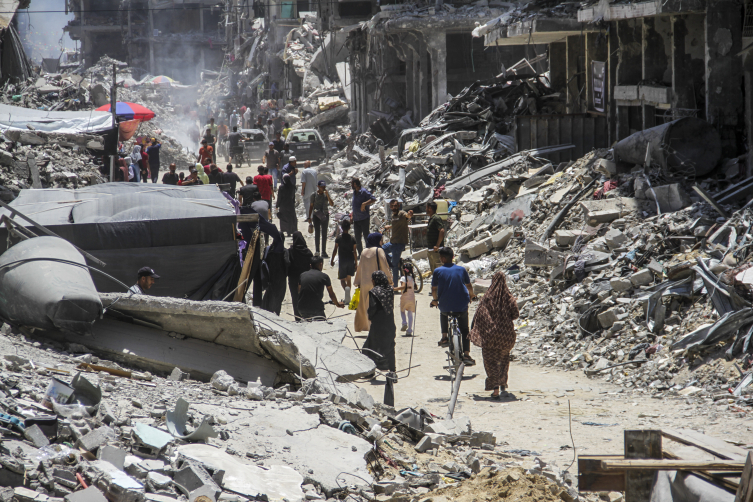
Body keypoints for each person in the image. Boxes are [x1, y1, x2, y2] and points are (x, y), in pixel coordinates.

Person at [469, 270, 519, 399]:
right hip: (505, 337)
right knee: (503, 360)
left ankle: (495, 388)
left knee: (490, 362)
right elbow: (515, 314)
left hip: (489, 337)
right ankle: (502, 383)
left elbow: (480, 315)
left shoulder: (487, 297)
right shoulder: (509, 298)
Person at [431, 247, 477, 366]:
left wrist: (435, 300)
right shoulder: (461, 270)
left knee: (443, 313)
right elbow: (469, 286)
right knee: (465, 329)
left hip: (445, 305)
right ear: (452, 257)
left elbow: (434, 289)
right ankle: (466, 355)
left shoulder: (437, 271)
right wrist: (471, 296)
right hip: (462, 304)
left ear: (442, 258)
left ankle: (444, 337)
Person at [352, 233, 392, 332]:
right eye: (381, 240)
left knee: (365, 306)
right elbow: (384, 265)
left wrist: (358, 281)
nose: (382, 242)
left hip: (365, 283)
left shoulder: (364, 251)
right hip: (377, 283)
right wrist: (390, 280)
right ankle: (374, 327)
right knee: (377, 305)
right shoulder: (379, 250)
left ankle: (366, 326)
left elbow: (360, 267)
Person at [361, 270, 397, 378]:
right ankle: (392, 372)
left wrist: (370, 317)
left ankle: (370, 371)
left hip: (378, 324)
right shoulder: (390, 289)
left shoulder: (374, 292)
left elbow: (373, 308)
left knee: (370, 347)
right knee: (390, 346)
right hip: (390, 323)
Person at [297, 256, 343, 320]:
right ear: (321, 264)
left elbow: (299, 291)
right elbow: (331, 294)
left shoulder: (302, 275)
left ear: (310, 265)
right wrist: (337, 304)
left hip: (301, 308)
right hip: (316, 309)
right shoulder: (324, 277)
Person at [382, 199, 413, 286]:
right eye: (392, 206)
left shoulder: (402, 214)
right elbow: (397, 224)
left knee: (394, 266)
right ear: (390, 207)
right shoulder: (393, 215)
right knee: (381, 250)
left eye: (395, 206)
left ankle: (394, 286)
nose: (394, 207)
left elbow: (407, 216)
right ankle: (396, 258)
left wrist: (410, 214)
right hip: (392, 242)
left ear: (398, 206)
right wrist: (389, 227)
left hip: (399, 243)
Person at [288, 231, 313, 321]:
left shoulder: (290, 251)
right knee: (305, 298)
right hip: (305, 280)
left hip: (293, 280)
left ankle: (297, 318)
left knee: (295, 299)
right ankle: (307, 317)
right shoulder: (308, 252)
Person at [331, 218, 357, 304]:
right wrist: (356, 263)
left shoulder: (338, 238)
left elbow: (335, 249)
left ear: (341, 227)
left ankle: (347, 296)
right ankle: (348, 296)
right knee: (349, 279)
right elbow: (354, 252)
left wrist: (332, 259)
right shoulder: (352, 238)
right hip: (350, 261)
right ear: (349, 228)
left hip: (342, 261)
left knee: (342, 280)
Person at [261, 234, 288, 316]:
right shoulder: (284, 251)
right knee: (278, 299)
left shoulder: (268, 250)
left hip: (270, 279)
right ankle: (276, 316)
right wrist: (284, 274)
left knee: (270, 297)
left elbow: (264, 262)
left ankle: (268, 315)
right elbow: (287, 263)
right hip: (281, 280)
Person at [350, 177, 376, 256]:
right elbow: (355, 206)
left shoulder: (364, 191)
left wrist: (364, 204)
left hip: (364, 218)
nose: (352, 185)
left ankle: (370, 254)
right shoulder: (355, 192)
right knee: (357, 238)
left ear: (356, 184)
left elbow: (373, 199)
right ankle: (361, 254)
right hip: (356, 219)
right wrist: (352, 215)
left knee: (366, 237)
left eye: (352, 184)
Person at [307, 181, 333, 257]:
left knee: (324, 234)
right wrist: (309, 217)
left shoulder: (326, 195)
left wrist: (327, 195)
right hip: (316, 216)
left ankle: (324, 251)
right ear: (318, 186)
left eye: (324, 186)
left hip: (325, 215)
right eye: (322, 187)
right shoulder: (313, 195)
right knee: (317, 233)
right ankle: (317, 250)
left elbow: (332, 204)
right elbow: (311, 206)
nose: (323, 188)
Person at [426, 201, 445, 273]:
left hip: (436, 250)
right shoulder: (432, 218)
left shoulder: (436, 218)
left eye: (426, 208)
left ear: (430, 208)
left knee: (439, 269)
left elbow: (442, 231)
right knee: (434, 271)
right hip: (432, 249)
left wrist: (437, 245)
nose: (426, 210)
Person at [398, 264, 416, 336]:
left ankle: (404, 322)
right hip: (412, 297)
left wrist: (394, 289)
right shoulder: (412, 278)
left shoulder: (403, 278)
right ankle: (409, 330)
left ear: (403, 270)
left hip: (404, 297)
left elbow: (403, 287)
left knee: (402, 310)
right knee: (410, 313)